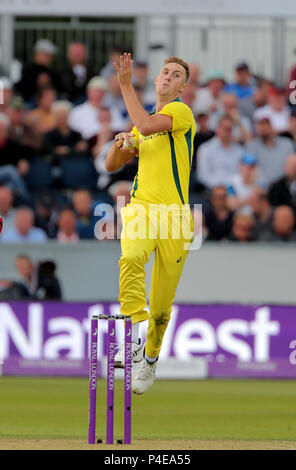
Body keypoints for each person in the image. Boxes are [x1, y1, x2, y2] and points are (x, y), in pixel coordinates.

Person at [105, 53, 196, 394]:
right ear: (158, 78)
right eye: (165, 72)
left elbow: (144, 126)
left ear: (182, 87)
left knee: (160, 308)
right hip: (141, 209)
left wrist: (125, 85)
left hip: (175, 218)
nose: (168, 77)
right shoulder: (140, 124)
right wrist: (120, 144)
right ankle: (131, 334)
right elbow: (112, 165)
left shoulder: (179, 113)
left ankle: (151, 359)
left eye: (176, 75)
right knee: (129, 259)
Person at [197, 115, 244, 190]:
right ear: (217, 129)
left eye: (229, 129)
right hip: (213, 190)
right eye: (224, 128)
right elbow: (203, 175)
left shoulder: (239, 150)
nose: (227, 132)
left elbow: (242, 174)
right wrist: (220, 187)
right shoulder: (205, 149)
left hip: (236, 190)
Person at [247, 116, 294, 187]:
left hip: (285, 186)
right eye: (260, 126)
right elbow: (249, 168)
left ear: (271, 127)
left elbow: (292, 165)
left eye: (265, 126)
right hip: (262, 186)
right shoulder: (252, 146)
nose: (263, 129)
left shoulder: (287, 144)